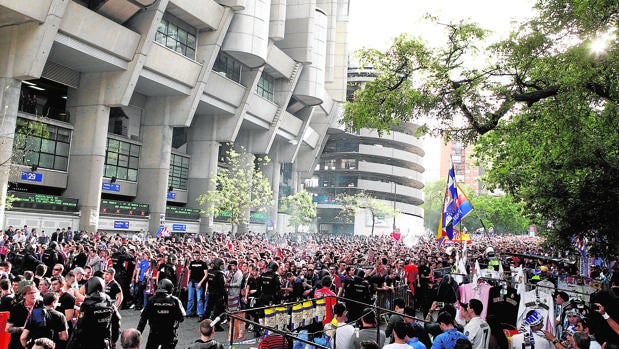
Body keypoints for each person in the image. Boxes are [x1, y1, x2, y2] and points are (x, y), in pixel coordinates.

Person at [67, 276, 121, 349]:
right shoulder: (109, 303)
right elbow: (117, 322)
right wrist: (113, 340)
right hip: (105, 342)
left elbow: (79, 328)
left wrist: (71, 346)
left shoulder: (87, 305)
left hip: (89, 343)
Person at [137, 279, 185, 349]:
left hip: (154, 333)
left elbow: (143, 319)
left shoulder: (151, 300)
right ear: (170, 289)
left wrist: (138, 333)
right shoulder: (175, 300)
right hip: (169, 334)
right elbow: (181, 318)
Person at [6, 285, 42, 349]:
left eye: (35, 292)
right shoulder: (17, 308)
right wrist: (22, 329)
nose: (33, 295)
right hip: (17, 344)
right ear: (24, 296)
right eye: (30, 293)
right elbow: (8, 329)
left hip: (35, 344)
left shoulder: (40, 306)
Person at [202, 258, 226, 324]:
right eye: (222, 264)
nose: (223, 266)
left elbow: (208, 282)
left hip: (211, 292)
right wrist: (225, 297)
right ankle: (216, 325)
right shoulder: (220, 274)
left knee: (208, 308)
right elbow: (223, 287)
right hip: (218, 294)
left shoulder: (210, 272)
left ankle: (204, 320)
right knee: (217, 311)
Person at [186, 251, 208, 319]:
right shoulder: (192, 263)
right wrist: (187, 282)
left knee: (199, 299)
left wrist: (200, 283)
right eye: (195, 255)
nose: (196, 256)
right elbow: (189, 273)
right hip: (191, 283)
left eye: (198, 255)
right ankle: (188, 313)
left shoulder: (203, 263)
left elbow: (206, 274)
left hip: (199, 283)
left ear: (200, 256)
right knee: (190, 299)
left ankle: (200, 314)